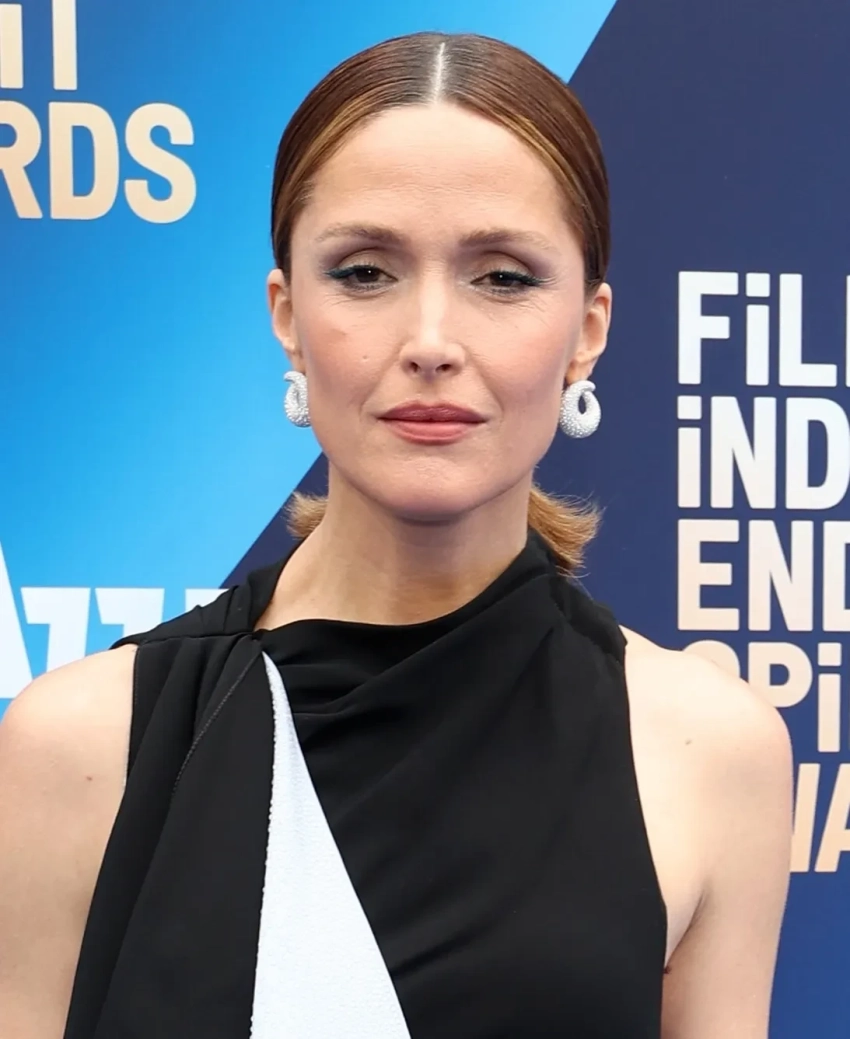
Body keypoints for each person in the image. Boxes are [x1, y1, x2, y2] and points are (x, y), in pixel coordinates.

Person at [0, 30, 792, 1039]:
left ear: (587, 330)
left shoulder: (709, 752)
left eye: (502, 277)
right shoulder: (78, 744)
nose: (430, 342)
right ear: (287, 313)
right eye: (366, 271)